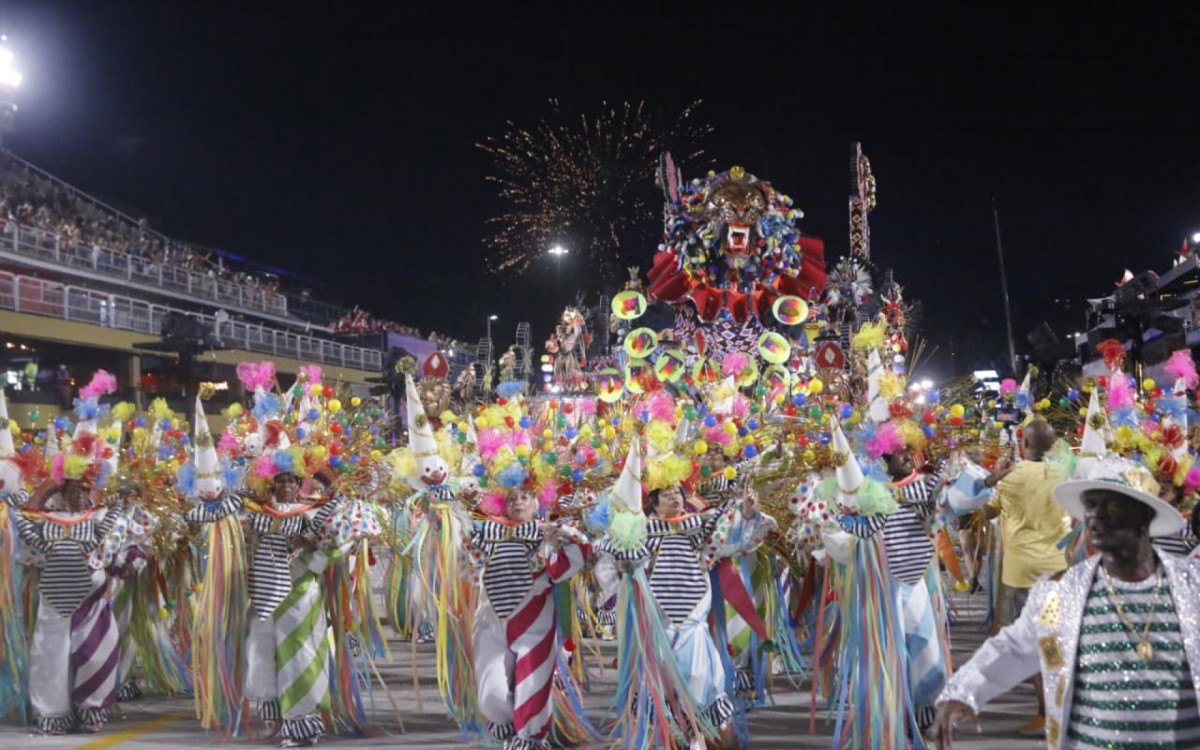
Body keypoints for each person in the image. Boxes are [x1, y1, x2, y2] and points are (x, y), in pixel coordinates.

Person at [932, 456, 1200, 749]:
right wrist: (962, 691)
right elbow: (1015, 647)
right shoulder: (1062, 590)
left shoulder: (1191, 586)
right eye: (1090, 505)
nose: (1095, 515)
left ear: (1145, 515)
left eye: (1110, 504)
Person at [980, 419, 1071, 733]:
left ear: (1025, 444)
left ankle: (1047, 712)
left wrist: (1006, 471)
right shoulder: (1064, 473)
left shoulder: (1012, 478)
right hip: (1058, 567)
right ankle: (1060, 709)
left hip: (1021, 572)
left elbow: (987, 512)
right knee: (1055, 638)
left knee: (1028, 643)